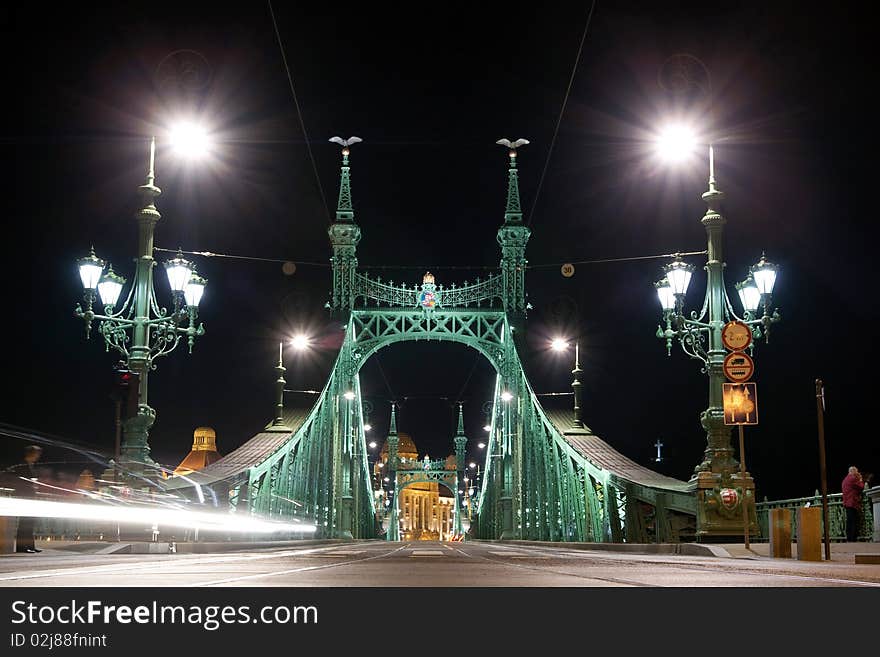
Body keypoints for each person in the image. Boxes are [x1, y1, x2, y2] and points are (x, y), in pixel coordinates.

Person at [4, 445, 43, 553]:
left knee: (30, 521)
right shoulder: (22, 465)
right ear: (31, 454)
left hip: (30, 496)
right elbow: (20, 481)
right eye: (37, 454)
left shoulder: (31, 465)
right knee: (24, 522)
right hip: (24, 495)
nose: (38, 456)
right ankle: (22, 547)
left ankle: (30, 546)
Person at [841, 465, 865, 542]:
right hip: (852, 502)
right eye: (856, 472)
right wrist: (860, 479)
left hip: (846, 502)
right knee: (853, 521)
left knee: (849, 521)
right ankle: (852, 539)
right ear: (853, 471)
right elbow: (861, 487)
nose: (857, 473)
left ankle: (849, 538)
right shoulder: (853, 478)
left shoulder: (845, 479)